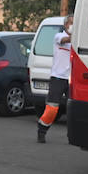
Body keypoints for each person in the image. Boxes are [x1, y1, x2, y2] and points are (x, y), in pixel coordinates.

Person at [36, 15, 73, 143]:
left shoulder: (76, 41)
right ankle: (42, 129)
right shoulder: (59, 36)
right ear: (65, 25)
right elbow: (65, 40)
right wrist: (75, 36)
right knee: (52, 109)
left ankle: (72, 136)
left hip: (71, 79)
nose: (72, 25)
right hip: (57, 77)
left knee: (73, 110)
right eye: (70, 23)